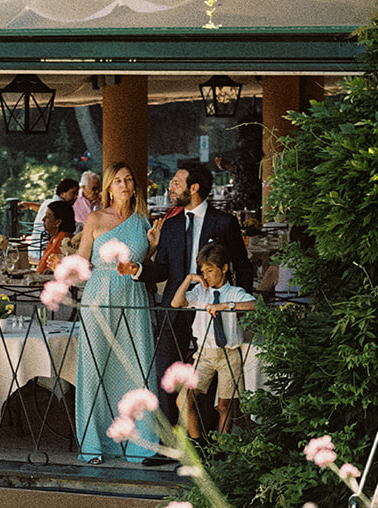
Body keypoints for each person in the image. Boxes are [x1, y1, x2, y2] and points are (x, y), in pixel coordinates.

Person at [140, 159, 254, 428]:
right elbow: (163, 271)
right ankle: (169, 442)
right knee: (168, 373)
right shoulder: (171, 224)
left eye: (177, 183)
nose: (170, 187)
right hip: (177, 306)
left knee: (209, 379)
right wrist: (138, 269)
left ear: (194, 187)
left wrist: (237, 305)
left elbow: (242, 265)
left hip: (212, 310)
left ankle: (208, 445)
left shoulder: (224, 223)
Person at [73, 162, 159, 465]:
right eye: (118, 180)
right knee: (96, 368)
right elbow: (82, 261)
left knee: (136, 367)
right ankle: (93, 443)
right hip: (99, 296)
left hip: (133, 296)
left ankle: (140, 442)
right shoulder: (95, 218)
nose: (124, 185)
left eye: (128, 180)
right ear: (109, 187)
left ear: (135, 185)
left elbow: (141, 263)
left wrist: (150, 247)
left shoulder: (142, 220)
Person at [172, 242, 256, 437]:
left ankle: (222, 448)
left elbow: (255, 305)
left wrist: (227, 306)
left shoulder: (234, 292)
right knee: (184, 398)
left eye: (210, 270)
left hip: (229, 354)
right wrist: (189, 279)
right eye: (203, 271)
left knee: (225, 404)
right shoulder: (200, 292)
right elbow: (176, 303)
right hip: (204, 354)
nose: (206, 275)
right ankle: (197, 444)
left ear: (224, 268)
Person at [29, 177, 80, 259]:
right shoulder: (59, 207)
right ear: (63, 194)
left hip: (33, 248)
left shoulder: (47, 202)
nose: (75, 197)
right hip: (44, 250)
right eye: (73, 193)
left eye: (77, 194)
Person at [36, 198, 77, 274]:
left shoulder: (65, 241)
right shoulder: (56, 237)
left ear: (58, 222)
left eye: (47, 216)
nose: (43, 219)